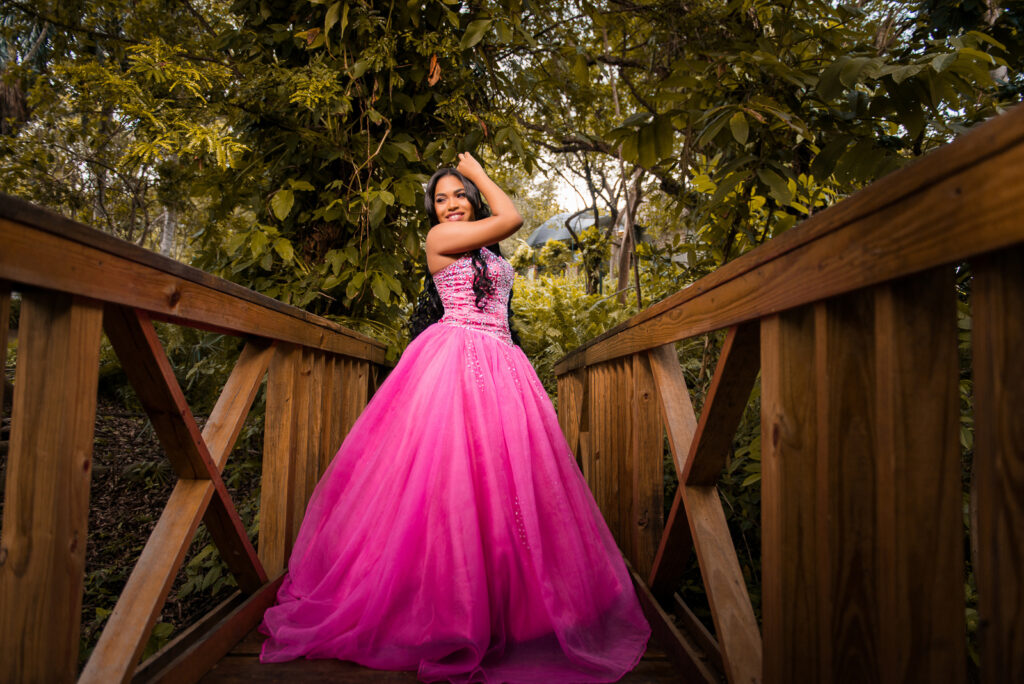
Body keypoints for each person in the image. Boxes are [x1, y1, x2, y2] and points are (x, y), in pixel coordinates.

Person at [258, 152, 652, 683]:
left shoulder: (486, 249)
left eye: (457, 195)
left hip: (503, 362)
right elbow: (511, 217)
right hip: (453, 359)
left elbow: (504, 232)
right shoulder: (440, 242)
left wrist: (479, 180)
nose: (448, 206)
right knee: (450, 481)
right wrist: (484, 177)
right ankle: (447, 610)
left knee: (512, 482)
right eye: (440, 199)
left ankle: (521, 611)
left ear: (471, 199)